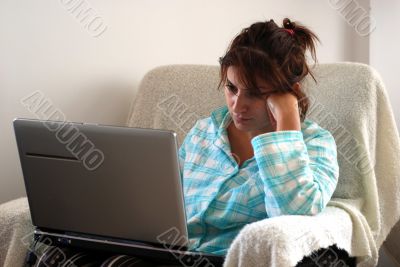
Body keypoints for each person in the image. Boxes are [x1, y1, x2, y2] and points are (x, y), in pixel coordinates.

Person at [32, 18, 340, 266]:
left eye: (256, 94)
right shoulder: (205, 132)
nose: (237, 105)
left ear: (289, 92)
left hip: (223, 259)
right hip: (166, 251)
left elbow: (295, 216)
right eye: (231, 87)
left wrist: (287, 120)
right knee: (53, 252)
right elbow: (162, 202)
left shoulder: (315, 144)